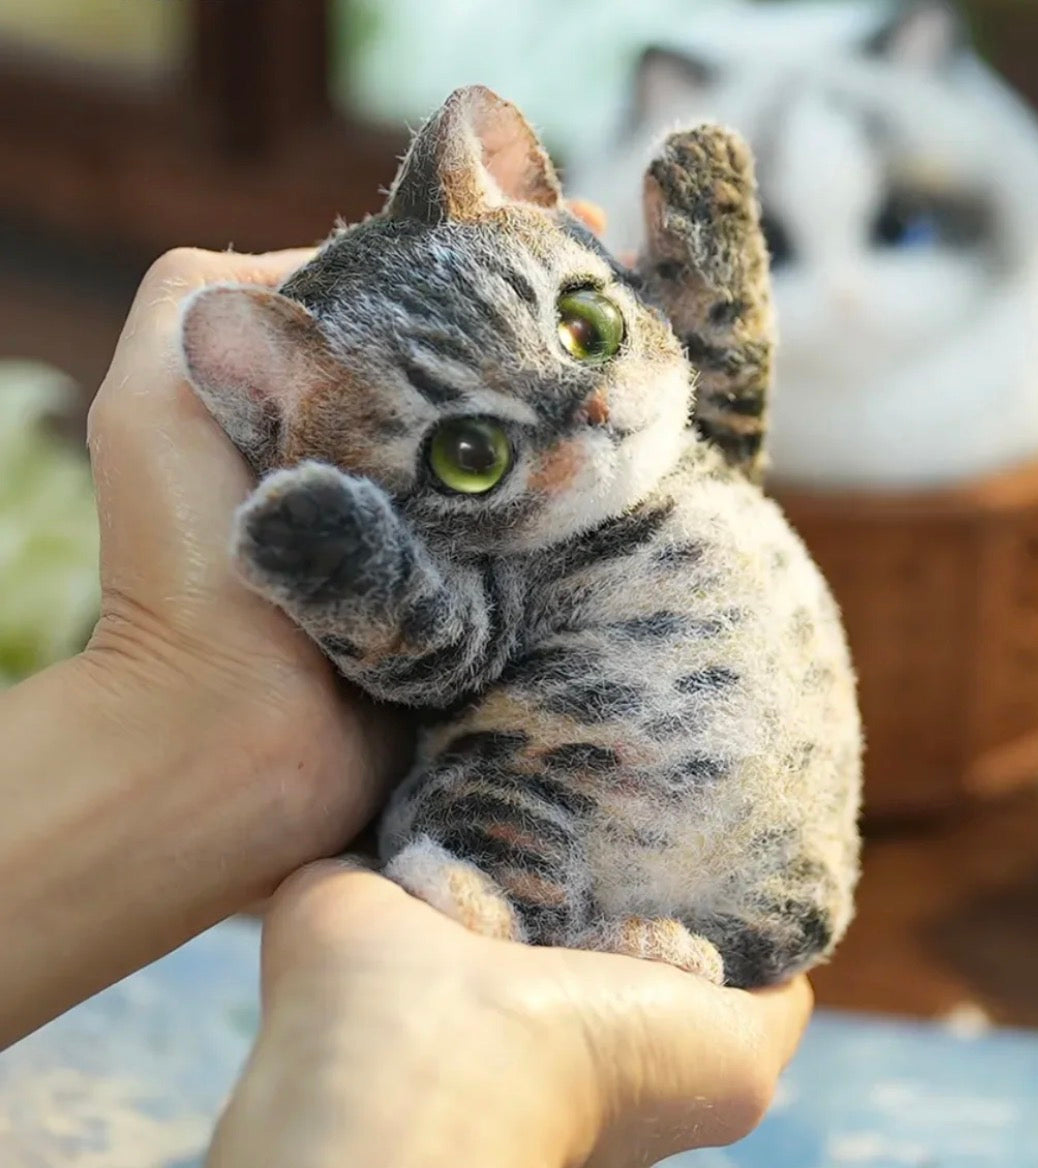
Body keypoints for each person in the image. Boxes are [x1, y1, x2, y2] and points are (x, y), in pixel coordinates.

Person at [0, 244, 813, 1168]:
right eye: (473, 452)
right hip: (539, 832)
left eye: (583, 328)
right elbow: (447, 642)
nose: (592, 414)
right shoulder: (504, 568)